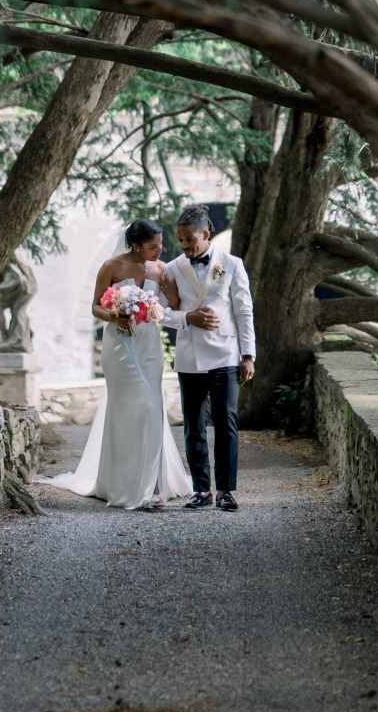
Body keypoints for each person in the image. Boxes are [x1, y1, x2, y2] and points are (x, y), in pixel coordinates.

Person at [48, 218, 192, 511]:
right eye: (153, 246)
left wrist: (165, 286)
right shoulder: (111, 267)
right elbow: (95, 307)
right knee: (125, 411)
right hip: (120, 347)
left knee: (151, 408)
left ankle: (152, 484)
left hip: (149, 346)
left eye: (161, 244)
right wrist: (115, 315)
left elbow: (174, 306)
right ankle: (122, 482)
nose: (159, 250)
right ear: (136, 245)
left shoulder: (160, 269)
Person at [157, 204, 255, 513]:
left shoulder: (232, 264)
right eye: (181, 239)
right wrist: (188, 318)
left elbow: (243, 311)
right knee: (194, 425)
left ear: (205, 234)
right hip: (190, 356)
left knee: (226, 423)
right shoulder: (172, 268)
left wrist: (248, 355)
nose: (184, 245)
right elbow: (161, 312)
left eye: (189, 239)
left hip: (226, 353)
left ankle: (225, 490)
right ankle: (201, 490)